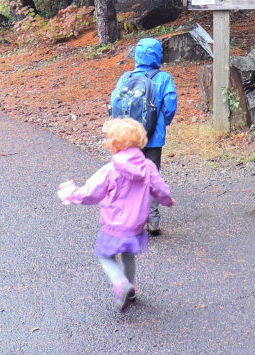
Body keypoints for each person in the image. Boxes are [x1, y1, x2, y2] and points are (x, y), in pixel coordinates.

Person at [58, 118, 174, 311]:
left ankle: (121, 284)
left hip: (114, 224)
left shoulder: (110, 169)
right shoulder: (148, 167)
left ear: (114, 146)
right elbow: (161, 189)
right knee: (128, 255)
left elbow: (91, 192)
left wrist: (72, 194)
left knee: (105, 256)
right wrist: (167, 200)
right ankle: (131, 288)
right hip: (136, 224)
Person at [110, 37, 177, 234]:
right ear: (158, 55)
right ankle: (152, 220)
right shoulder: (163, 78)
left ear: (137, 55)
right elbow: (170, 105)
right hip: (153, 138)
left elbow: (115, 103)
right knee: (151, 175)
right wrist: (162, 123)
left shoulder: (126, 78)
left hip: (128, 138)